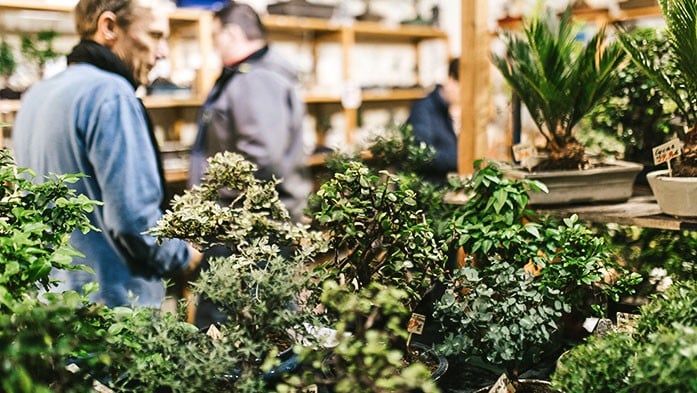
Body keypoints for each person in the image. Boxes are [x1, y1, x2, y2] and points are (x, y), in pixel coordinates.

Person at [13, 0, 202, 308]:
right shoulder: (111, 94)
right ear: (110, 27)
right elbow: (134, 220)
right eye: (155, 35)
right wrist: (183, 255)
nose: (163, 51)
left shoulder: (36, 95)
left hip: (51, 307)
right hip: (114, 315)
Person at [188, 1, 311, 223]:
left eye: (216, 36)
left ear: (232, 34)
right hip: (246, 217)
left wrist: (218, 199)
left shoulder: (256, 79)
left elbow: (262, 159)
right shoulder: (249, 75)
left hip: (251, 223)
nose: (215, 45)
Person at [404, 57, 460, 185]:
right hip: (427, 191)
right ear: (451, 80)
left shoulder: (452, 109)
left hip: (448, 185)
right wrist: (461, 159)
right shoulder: (423, 109)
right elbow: (422, 154)